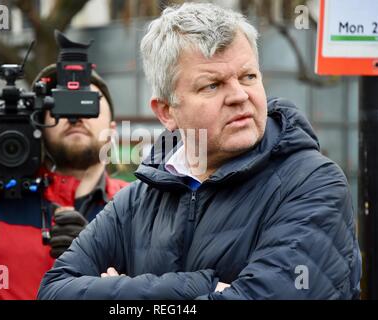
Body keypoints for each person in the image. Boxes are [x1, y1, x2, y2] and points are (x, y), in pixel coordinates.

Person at [38, 3, 361, 300]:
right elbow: (53, 291)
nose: (239, 95)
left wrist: (116, 292)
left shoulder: (312, 184)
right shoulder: (137, 201)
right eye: (212, 85)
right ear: (166, 112)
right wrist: (198, 285)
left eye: (248, 76)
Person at [0, 68, 129, 300]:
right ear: (40, 125)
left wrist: (97, 261)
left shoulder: (134, 207)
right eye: (61, 104)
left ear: (112, 130)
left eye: (87, 104)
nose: (74, 117)